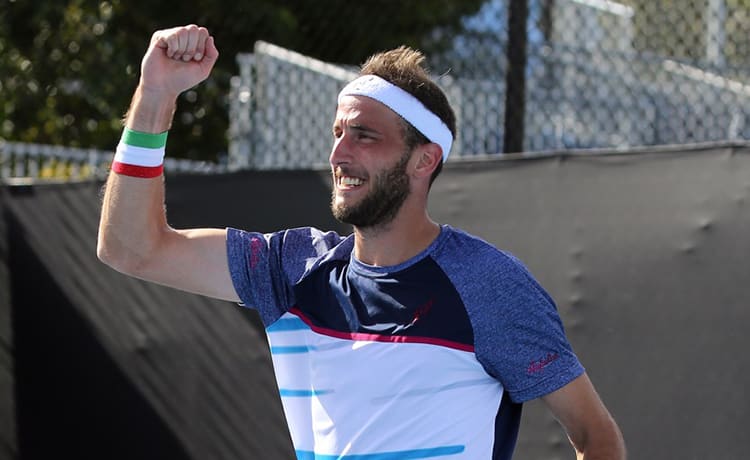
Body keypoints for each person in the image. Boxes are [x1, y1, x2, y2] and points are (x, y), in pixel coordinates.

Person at [98, 25, 626, 459]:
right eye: (338, 133)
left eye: (365, 136)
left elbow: (596, 438)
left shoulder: (488, 284)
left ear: (424, 160)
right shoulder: (290, 269)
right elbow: (131, 248)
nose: (339, 153)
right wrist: (156, 95)